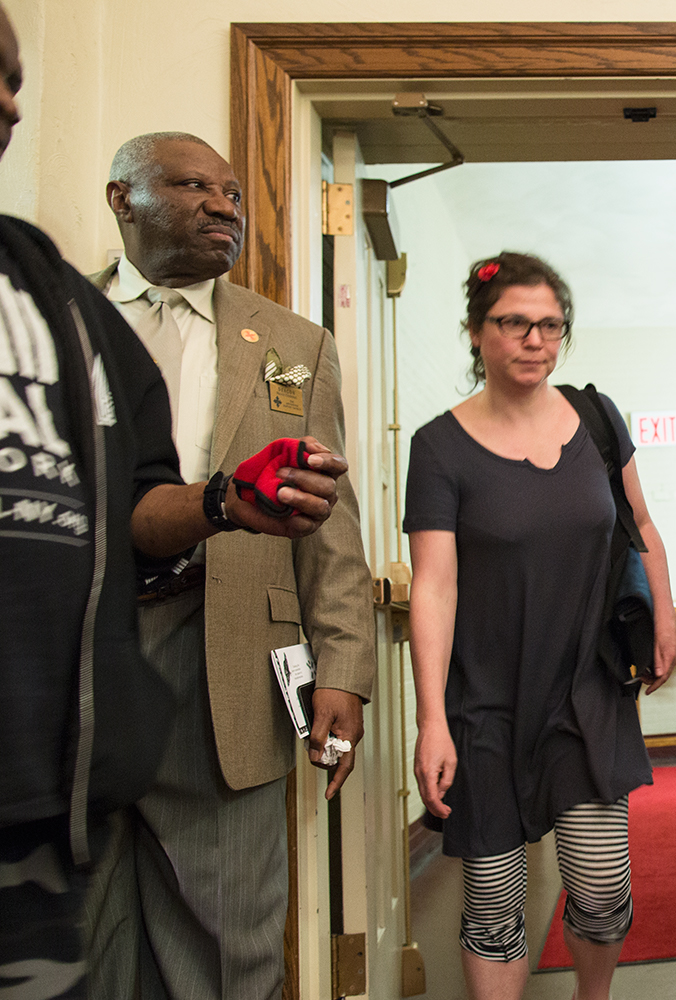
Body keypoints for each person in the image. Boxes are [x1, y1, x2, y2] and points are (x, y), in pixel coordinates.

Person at [84, 132, 376, 1000]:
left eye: (235, 193)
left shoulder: (292, 342)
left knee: (228, 951)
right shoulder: (65, 322)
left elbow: (330, 523)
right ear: (122, 199)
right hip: (84, 660)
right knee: (82, 939)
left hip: (226, 659)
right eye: (192, 185)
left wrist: (346, 672)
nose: (224, 206)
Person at [405, 252, 676, 1000]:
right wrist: (432, 721)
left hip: (587, 691)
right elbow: (433, 585)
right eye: (514, 323)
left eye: (550, 325)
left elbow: (642, 522)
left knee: (599, 892)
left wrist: (663, 613)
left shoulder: (596, 418)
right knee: (493, 907)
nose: (534, 339)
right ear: (476, 332)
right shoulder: (438, 447)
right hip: (485, 704)